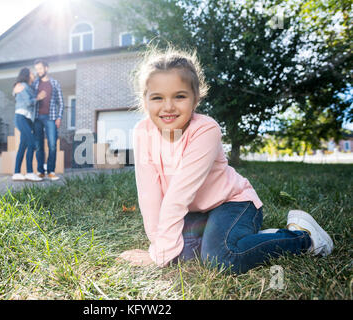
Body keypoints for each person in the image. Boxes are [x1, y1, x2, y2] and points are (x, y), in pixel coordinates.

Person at [118, 47, 334, 274]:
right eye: (157, 97)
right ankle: (248, 238)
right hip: (198, 211)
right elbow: (149, 194)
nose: (168, 106)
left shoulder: (206, 130)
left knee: (221, 258)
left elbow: (178, 196)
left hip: (233, 203)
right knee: (182, 253)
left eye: (179, 96)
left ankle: (304, 237)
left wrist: (159, 255)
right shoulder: (142, 131)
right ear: (145, 100)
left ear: (196, 98)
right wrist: (159, 246)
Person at [32, 59, 65, 181]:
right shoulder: (34, 84)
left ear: (46, 68)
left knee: (52, 145)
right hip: (37, 118)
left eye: (40, 68)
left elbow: (61, 102)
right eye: (37, 69)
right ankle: (41, 171)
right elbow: (28, 99)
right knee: (39, 146)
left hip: (51, 118)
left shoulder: (55, 83)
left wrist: (59, 117)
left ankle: (51, 171)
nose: (38, 71)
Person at [12, 68, 46, 182]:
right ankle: (30, 172)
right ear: (27, 75)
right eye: (31, 73)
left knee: (23, 146)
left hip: (28, 119)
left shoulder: (30, 87)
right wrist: (38, 98)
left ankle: (16, 173)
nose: (33, 74)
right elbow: (28, 102)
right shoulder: (22, 86)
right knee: (31, 143)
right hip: (21, 117)